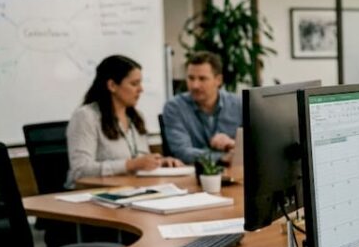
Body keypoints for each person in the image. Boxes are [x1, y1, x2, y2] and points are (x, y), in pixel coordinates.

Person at [65, 55, 181, 188]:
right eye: (134, 84)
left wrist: (159, 162)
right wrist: (130, 164)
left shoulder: (136, 117)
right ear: (112, 85)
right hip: (91, 195)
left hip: (131, 190)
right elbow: (80, 170)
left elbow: (140, 159)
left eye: (140, 83)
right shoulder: (86, 117)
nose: (141, 89)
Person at [162, 52, 242, 165]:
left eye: (202, 79)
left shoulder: (239, 104)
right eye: (191, 78)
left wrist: (233, 144)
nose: (195, 85)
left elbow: (255, 146)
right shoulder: (174, 107)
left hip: (235, 176)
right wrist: (223, 157)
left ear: (218, 80)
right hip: (193, 176)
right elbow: (182, 152)